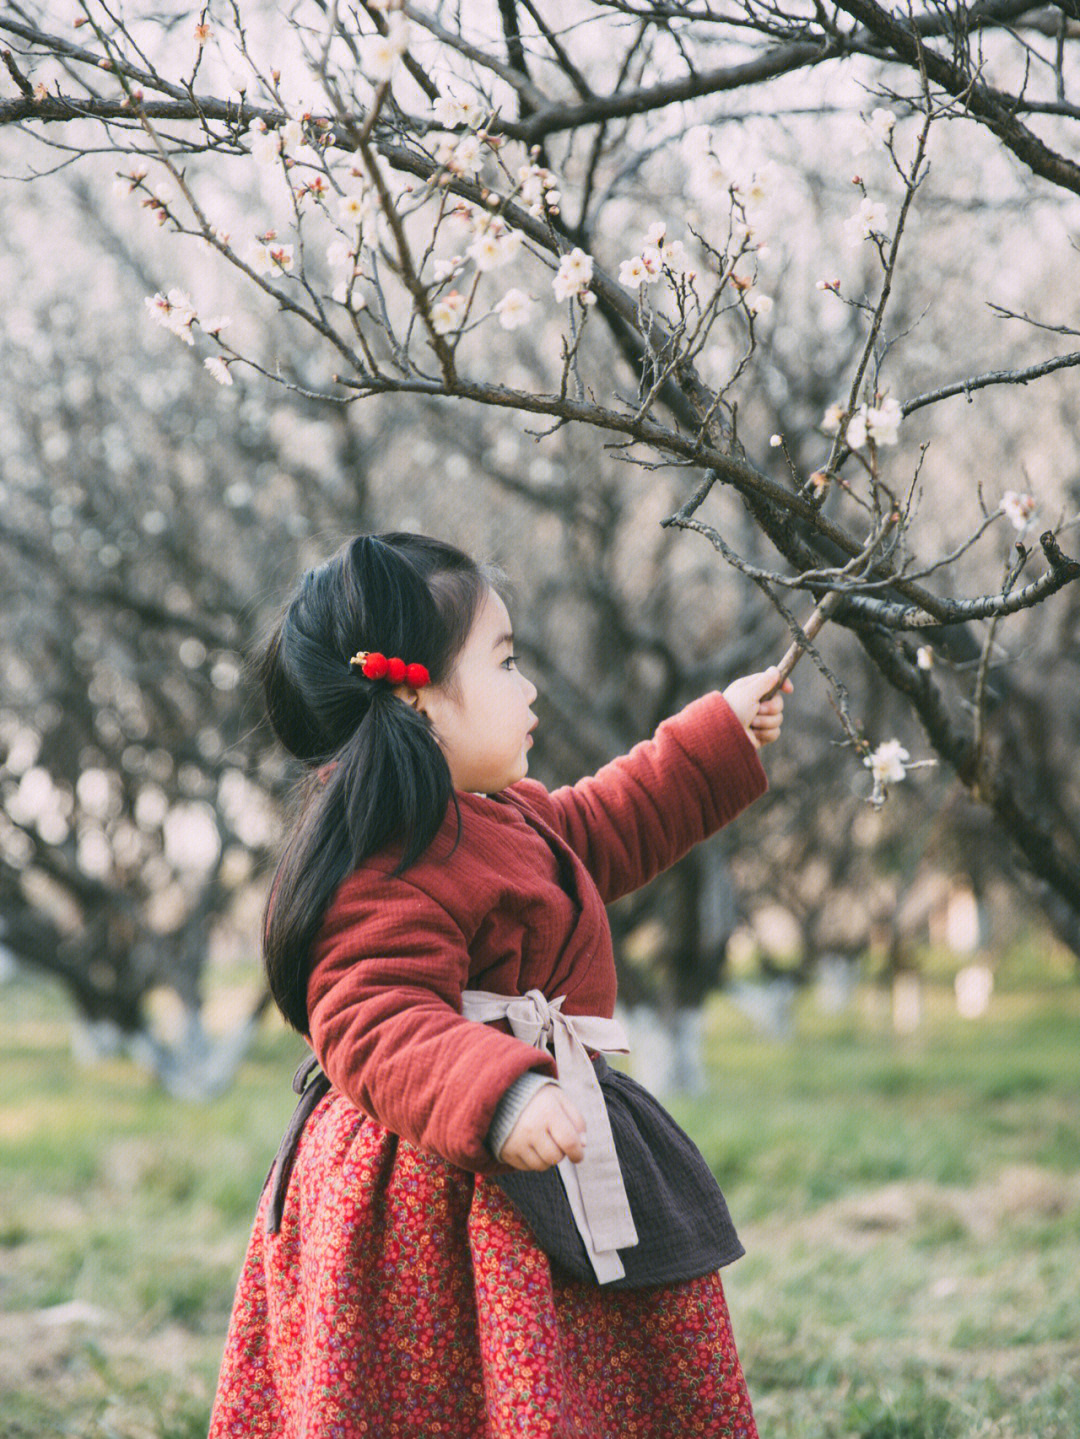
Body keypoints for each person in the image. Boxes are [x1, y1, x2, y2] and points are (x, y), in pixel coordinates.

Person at [208, 531, 791, 1438]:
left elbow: (605, 823)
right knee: (456, 1394)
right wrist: (503, 1096)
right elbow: (378, 1018)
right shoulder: (379, 862)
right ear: (416, 692)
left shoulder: (505, 817)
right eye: (506, 661)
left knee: (581, 1382)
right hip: (440, 1186)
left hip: (543, 1156)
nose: (529, 690)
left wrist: (716, 732)